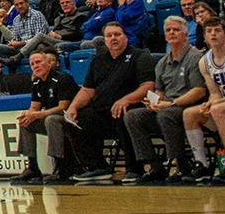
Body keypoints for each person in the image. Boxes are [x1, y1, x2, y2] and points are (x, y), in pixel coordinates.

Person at [61, 23, 156, 182]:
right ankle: (97, 167)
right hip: (101, 111)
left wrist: (125, 99)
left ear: (125, 37)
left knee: (122, 113)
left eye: (117, 34)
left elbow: (148, 86)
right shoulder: (98, 61)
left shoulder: (139, 55)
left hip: (129, 107)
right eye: (109, 35)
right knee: (75, 120)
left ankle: (134, 168)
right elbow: (87, 90)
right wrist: (73, 107)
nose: (113, 38)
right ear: (104, 40)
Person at [120, 16, 206, 183]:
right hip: (167, 107)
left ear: (186, 34)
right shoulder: (161, 63)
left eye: (176, 29)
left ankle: (182, 164)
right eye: (168, 30)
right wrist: (154, 101)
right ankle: (154, 165)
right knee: (133, 116)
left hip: (189, 107)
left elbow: (199, 91)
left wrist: (171, 103)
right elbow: (159, 90)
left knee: (165, 115)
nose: (172, 33)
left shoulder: (195, 57)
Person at [183, 18, 225, 182]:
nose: (213, 34)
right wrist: (210, 101)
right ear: (204, 37)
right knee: (190, 114)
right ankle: (201, 163)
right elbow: (214, 93)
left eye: (217, 31)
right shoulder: (204, 61)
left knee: (218, 109)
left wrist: (216, 103)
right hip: (224, 107)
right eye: (209, 31)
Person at [12, 50, 78, 185]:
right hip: (52, 119)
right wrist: (29, 114)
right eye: (32, 64)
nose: (35, 66)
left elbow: (63, 107)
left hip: (72, 119)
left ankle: (60, 167)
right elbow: (34, 107)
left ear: (48, 63)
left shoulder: (62, 78)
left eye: (38, 62)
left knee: (51, 119)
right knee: (25, 122)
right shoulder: (37, 83)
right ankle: (32, 167)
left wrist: (39, 114)